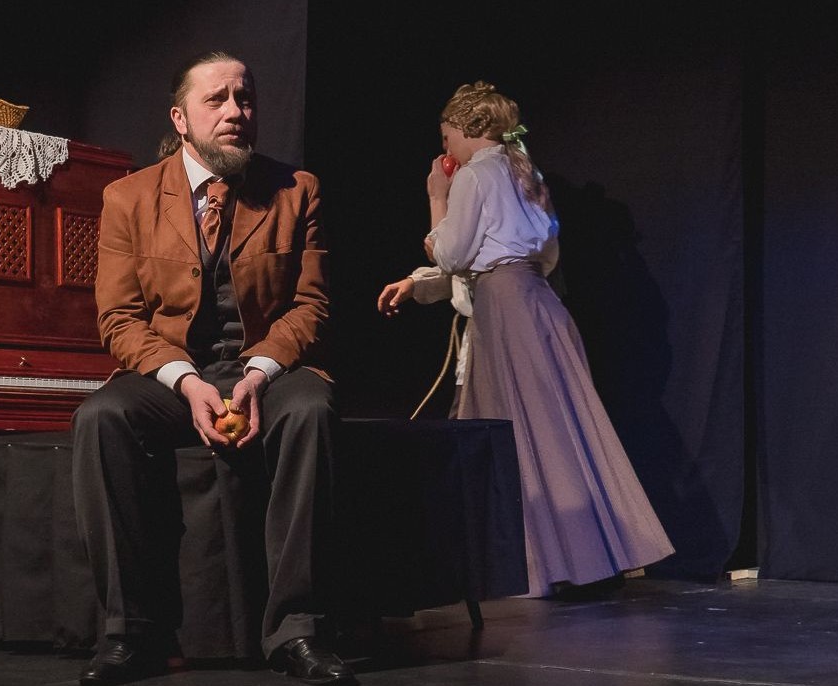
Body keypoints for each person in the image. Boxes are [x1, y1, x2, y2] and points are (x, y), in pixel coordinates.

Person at [71, 50, 355, 686]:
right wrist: (188, 381)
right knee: (101, 418)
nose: (235, 112)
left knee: (311, 409)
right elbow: (119, 318)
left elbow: (311, 306)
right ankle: (129, 633)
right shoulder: (128, 197)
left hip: (266, 368)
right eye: (217, 99)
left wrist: (257, 375)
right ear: (180, 119)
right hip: (176, 373)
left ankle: (298, 630)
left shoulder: (296, 190)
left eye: (244, 98)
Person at [375, 80, 674, 598]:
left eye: (446, 137)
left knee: (510, 432)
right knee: (558, 431)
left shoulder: (473, 175)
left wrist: (437, 197)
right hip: (538, 303)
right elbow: (530, 255)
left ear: (465, 130)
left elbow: (451, 254)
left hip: (507, 311)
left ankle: (531, 566)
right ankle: (583, 558)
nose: (445, 149)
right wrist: (424, 283)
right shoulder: (525, 172)